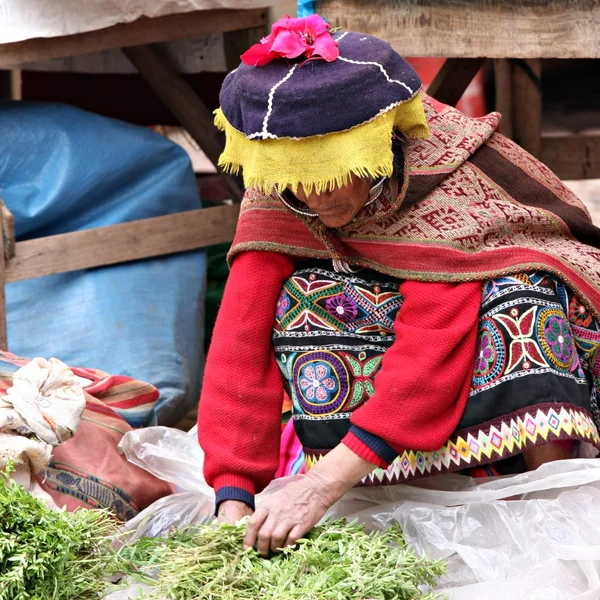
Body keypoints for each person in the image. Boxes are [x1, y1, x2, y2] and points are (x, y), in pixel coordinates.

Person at [198, 14, 600, 557]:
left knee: (522, 299)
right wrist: (233, 496)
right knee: (302, 306)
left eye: (330, 176)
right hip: (390, 327)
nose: (313, 200)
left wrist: (320, 486)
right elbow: (238, 344)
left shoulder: (442, 173)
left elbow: (433, 339)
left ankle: (553, 509)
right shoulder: (284, 183)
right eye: (297, 184)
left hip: (474, 319)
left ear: (379, 147)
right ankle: (408, 494)